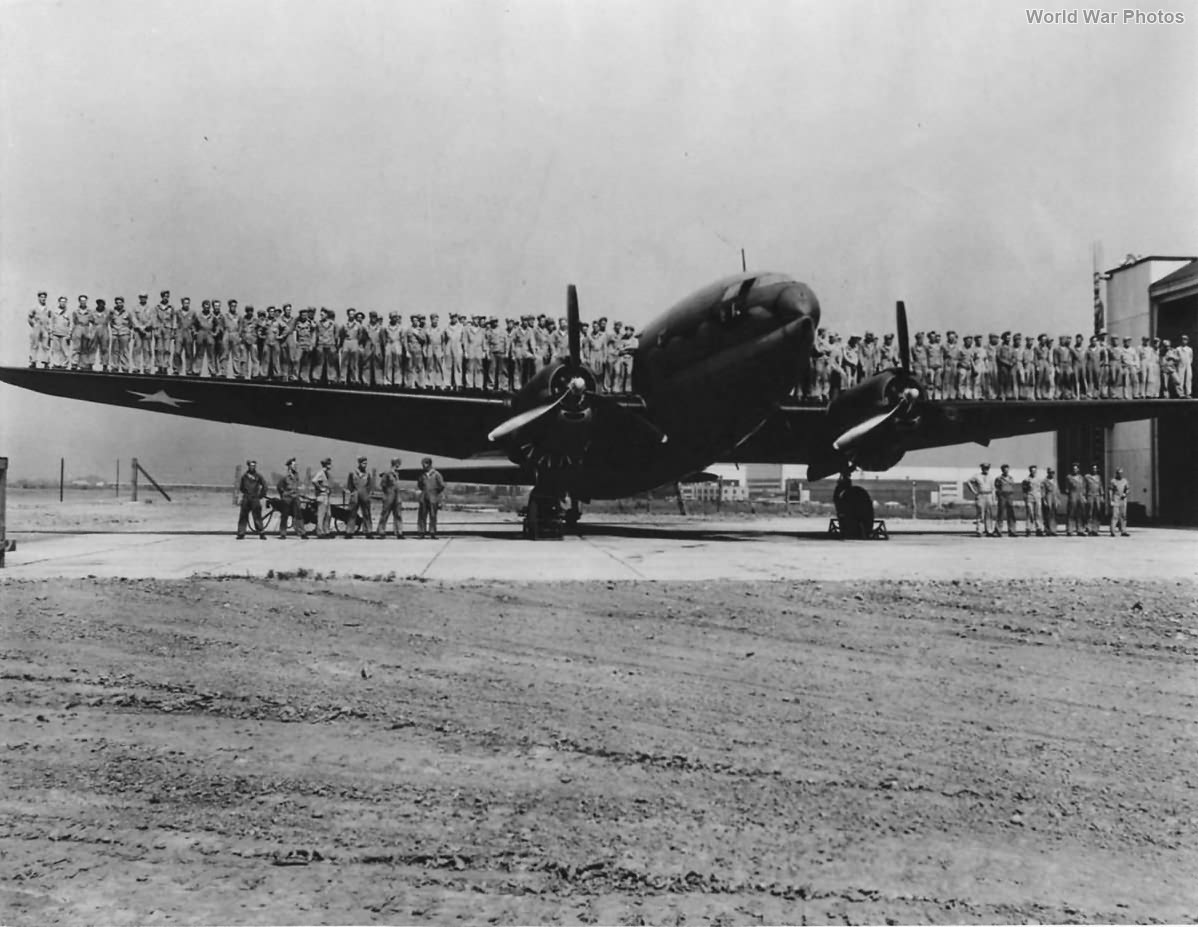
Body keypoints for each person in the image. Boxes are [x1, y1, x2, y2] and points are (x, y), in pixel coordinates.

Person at [234, 460, 269, 540]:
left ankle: (261, 533)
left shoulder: (258, 476)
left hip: (255, 498)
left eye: (254, 466)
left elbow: (265, 486)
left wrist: (261, 495)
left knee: (257, 516)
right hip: (246, 498)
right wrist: (245, 494)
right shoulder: (244, 476)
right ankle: (241, 533)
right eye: (251, 466)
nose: (252, 467)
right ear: (248, 466)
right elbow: (241, 488)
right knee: (243, 516)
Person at [276, 457, 308, 539]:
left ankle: (302, 533)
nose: (296, 466)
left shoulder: (296, 475)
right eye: (294, 465)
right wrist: (283, 495)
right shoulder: (285, 476)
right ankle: (283, 534)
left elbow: (297, 486)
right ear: (290, 466)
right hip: (287, 499)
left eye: (296, 465)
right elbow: (279, 487)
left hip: (295, 498)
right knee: (285, 516)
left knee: (299, 515)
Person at [416, 456, 445, 539]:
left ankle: (432, 532)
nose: (422, 466)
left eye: (424, 464)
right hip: (424, 496)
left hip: (433, 497)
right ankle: (421, 532)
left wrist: (435, 492)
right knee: (422, 515)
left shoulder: (436, 474)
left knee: (433, 515)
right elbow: (420, 485)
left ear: (428, 464)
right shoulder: (422, 475)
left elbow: (442, 485)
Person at [345, 456, 374, 538]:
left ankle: (368, 532)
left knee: (367, 514)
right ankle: (349, 532)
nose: (365, 465)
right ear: (359, 463)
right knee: (352, 514)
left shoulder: (368, 474)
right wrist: (353, 492)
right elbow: (349, 484)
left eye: (366, 463)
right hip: (355, 494)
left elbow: (369, 485)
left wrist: (367, 493)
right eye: (363, 463)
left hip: (364, 495)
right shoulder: (352, 473)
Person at [376, 457, 406, 539]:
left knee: (398, 515)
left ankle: (399, 532)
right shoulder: (387, 473)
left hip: (397, 497)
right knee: (385, 514)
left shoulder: (397, 474)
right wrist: (387, 493)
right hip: (389, 496)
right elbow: (383, 485)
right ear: (394, 463)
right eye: (398, 463)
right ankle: (381, 531)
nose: (398, 465)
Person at [966, 462, 997, 537]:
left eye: (987, 468)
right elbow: (968, 482)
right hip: (981, 495)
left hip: (989, 495)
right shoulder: (977, 476)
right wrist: (974, 491)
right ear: (982, 468)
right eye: (984, 468)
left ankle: (989, 531)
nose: (986, 469)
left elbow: (993, 489)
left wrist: (994, 499)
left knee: (989, 514)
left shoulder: (991, 477)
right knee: (980, 514)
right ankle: (979, 531)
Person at [994, 463, 1018, 536]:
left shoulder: (1011, 478)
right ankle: (998, 530)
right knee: (1000, 513)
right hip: (1002, 497)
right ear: (1002, 470)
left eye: (1007, 470)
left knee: (1011, 514)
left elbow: (1012, 486)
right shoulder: (999, 478)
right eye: (1004, 470)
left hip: (1009, 497)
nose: (1006, 471)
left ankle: (1012, 531)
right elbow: (996, 487)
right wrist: (999, 495)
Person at [312, 457, 333, 538]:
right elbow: (314, 480)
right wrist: (320, 488)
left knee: (328, 514)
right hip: (322, 496)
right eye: (329, 464)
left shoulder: (327, 473)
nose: (330, 465)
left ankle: (326, 530)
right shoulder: (321, 473)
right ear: (326, 465)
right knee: (321, 515)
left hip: (327, 496)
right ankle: (320, 532)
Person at [28, 290, 49, 368]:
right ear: (38, 298)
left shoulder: (48, 308)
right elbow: (29, 318)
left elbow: (51, 318)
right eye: (41, 297)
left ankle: (46, 362)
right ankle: (33, 361)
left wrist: (49, 327)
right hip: (37, 326)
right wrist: (34, 325)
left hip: (45, 327)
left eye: (44, 297)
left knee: (45, 345)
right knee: (35, 345)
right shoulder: (34, 308)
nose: (43, 299)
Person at [1064, 462, 1086, 536]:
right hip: (1072, 496)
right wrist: (1070, 496)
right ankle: (1070, 530)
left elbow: (1083, 488)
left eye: (1076, 469)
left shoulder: (1081, 477)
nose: (1075, 470)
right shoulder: (1069, 477)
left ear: (1078, 469)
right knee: (1071, 514)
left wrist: (1083, 497)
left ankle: (1080, 530)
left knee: (1080, 514)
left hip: (1080, 496)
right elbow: (1066, 489)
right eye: (1073, 469)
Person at [1021, 465, 1043, 536]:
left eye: (1035, 471)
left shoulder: (1039, 479)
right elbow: (1024, 490)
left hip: (1037, 497)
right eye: (1032, 471)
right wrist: (1025, 498)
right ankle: (1028, 529)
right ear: (1030, 471)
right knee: (1030, 513)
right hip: (1029, 497)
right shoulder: (1026, 480)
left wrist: (1041, 496)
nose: (1033, 472)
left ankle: (1039, 529)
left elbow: (1042, 489)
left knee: (1038, 514)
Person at [1083, 463, 1104, 536]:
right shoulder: (1087, 477)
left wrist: (1102, 496)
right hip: (1090, 496)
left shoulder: (1099, 477)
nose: (1094, 470)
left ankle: (1095, 530)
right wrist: (1084, 497)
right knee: (1089, 513)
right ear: (1091, 469)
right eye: (1093, 468)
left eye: (1095, 469)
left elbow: (1100, 486)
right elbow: (1084, 487)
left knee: (1097, 512)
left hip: (1097, 496)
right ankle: (1089, 529)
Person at [1108, 467, 1130, 537]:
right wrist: (1111, 500)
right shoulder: (1113, 481)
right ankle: (1113, 531)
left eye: (1121, 473)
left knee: (1123, 516)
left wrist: (1125, 493)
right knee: (1115, 515)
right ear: (1116, 473)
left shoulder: (1125, 481)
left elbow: (1128, 489)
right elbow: (1110, 491)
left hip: (1123, 499)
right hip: (1116, 498)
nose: (1120, 474)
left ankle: (1123, 530)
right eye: (1118, 473)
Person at [1041, 466, 1060, 536]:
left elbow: (1057, 490)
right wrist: (1044, 500)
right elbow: (1043, 492)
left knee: (1054, 515)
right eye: (1050, 472)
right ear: (1047, 473)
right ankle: (1047, 530)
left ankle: (1054, 530)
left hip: (1054, 498)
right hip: (1048, 497)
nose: (1052, 474)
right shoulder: (1044, 481)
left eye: (1053, 473)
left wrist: (1058, 500)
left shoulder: (1055, 481)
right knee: (1047, 514)